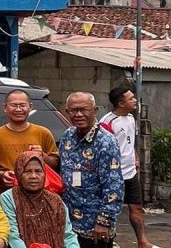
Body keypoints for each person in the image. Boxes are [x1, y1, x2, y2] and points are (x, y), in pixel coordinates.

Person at [60, 92, 123, 248]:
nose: (79, 114)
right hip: (69, 226)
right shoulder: (68, 135)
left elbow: (113, 186)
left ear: (94, 111)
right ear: (67, 112)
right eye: (73, 110)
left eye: (84, 109)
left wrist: (104, 222)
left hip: (94, 228)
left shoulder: (106, 142)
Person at [100, 87, 155, 248]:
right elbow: (102, 150)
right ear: (120, 103)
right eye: (131, 98)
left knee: (136, 207)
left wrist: (136, 158)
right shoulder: (107, 122)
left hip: (130, 173)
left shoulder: (131, 118)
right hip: (114, 175)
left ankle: (142, 241)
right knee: (112, 210)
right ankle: (109, 240)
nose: (135, 101)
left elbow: (131, 142)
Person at [0, 151, 79, 248]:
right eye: (27, 171)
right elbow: (13, 236)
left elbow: (68, 235)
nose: (33, 176)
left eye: (38, 171)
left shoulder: (55, 200)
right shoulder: (8, 197)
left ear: (44, 173)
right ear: (19, 173)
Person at [0, 89, 59, 192]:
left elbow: (56, 164)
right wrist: (2, 175)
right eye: (14, 105)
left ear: (30, 107)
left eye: (22, 105)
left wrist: (43, 156)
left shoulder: (43, 133)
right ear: (5, 107)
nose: (18, 109)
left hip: (38, 194)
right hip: (5, 194)